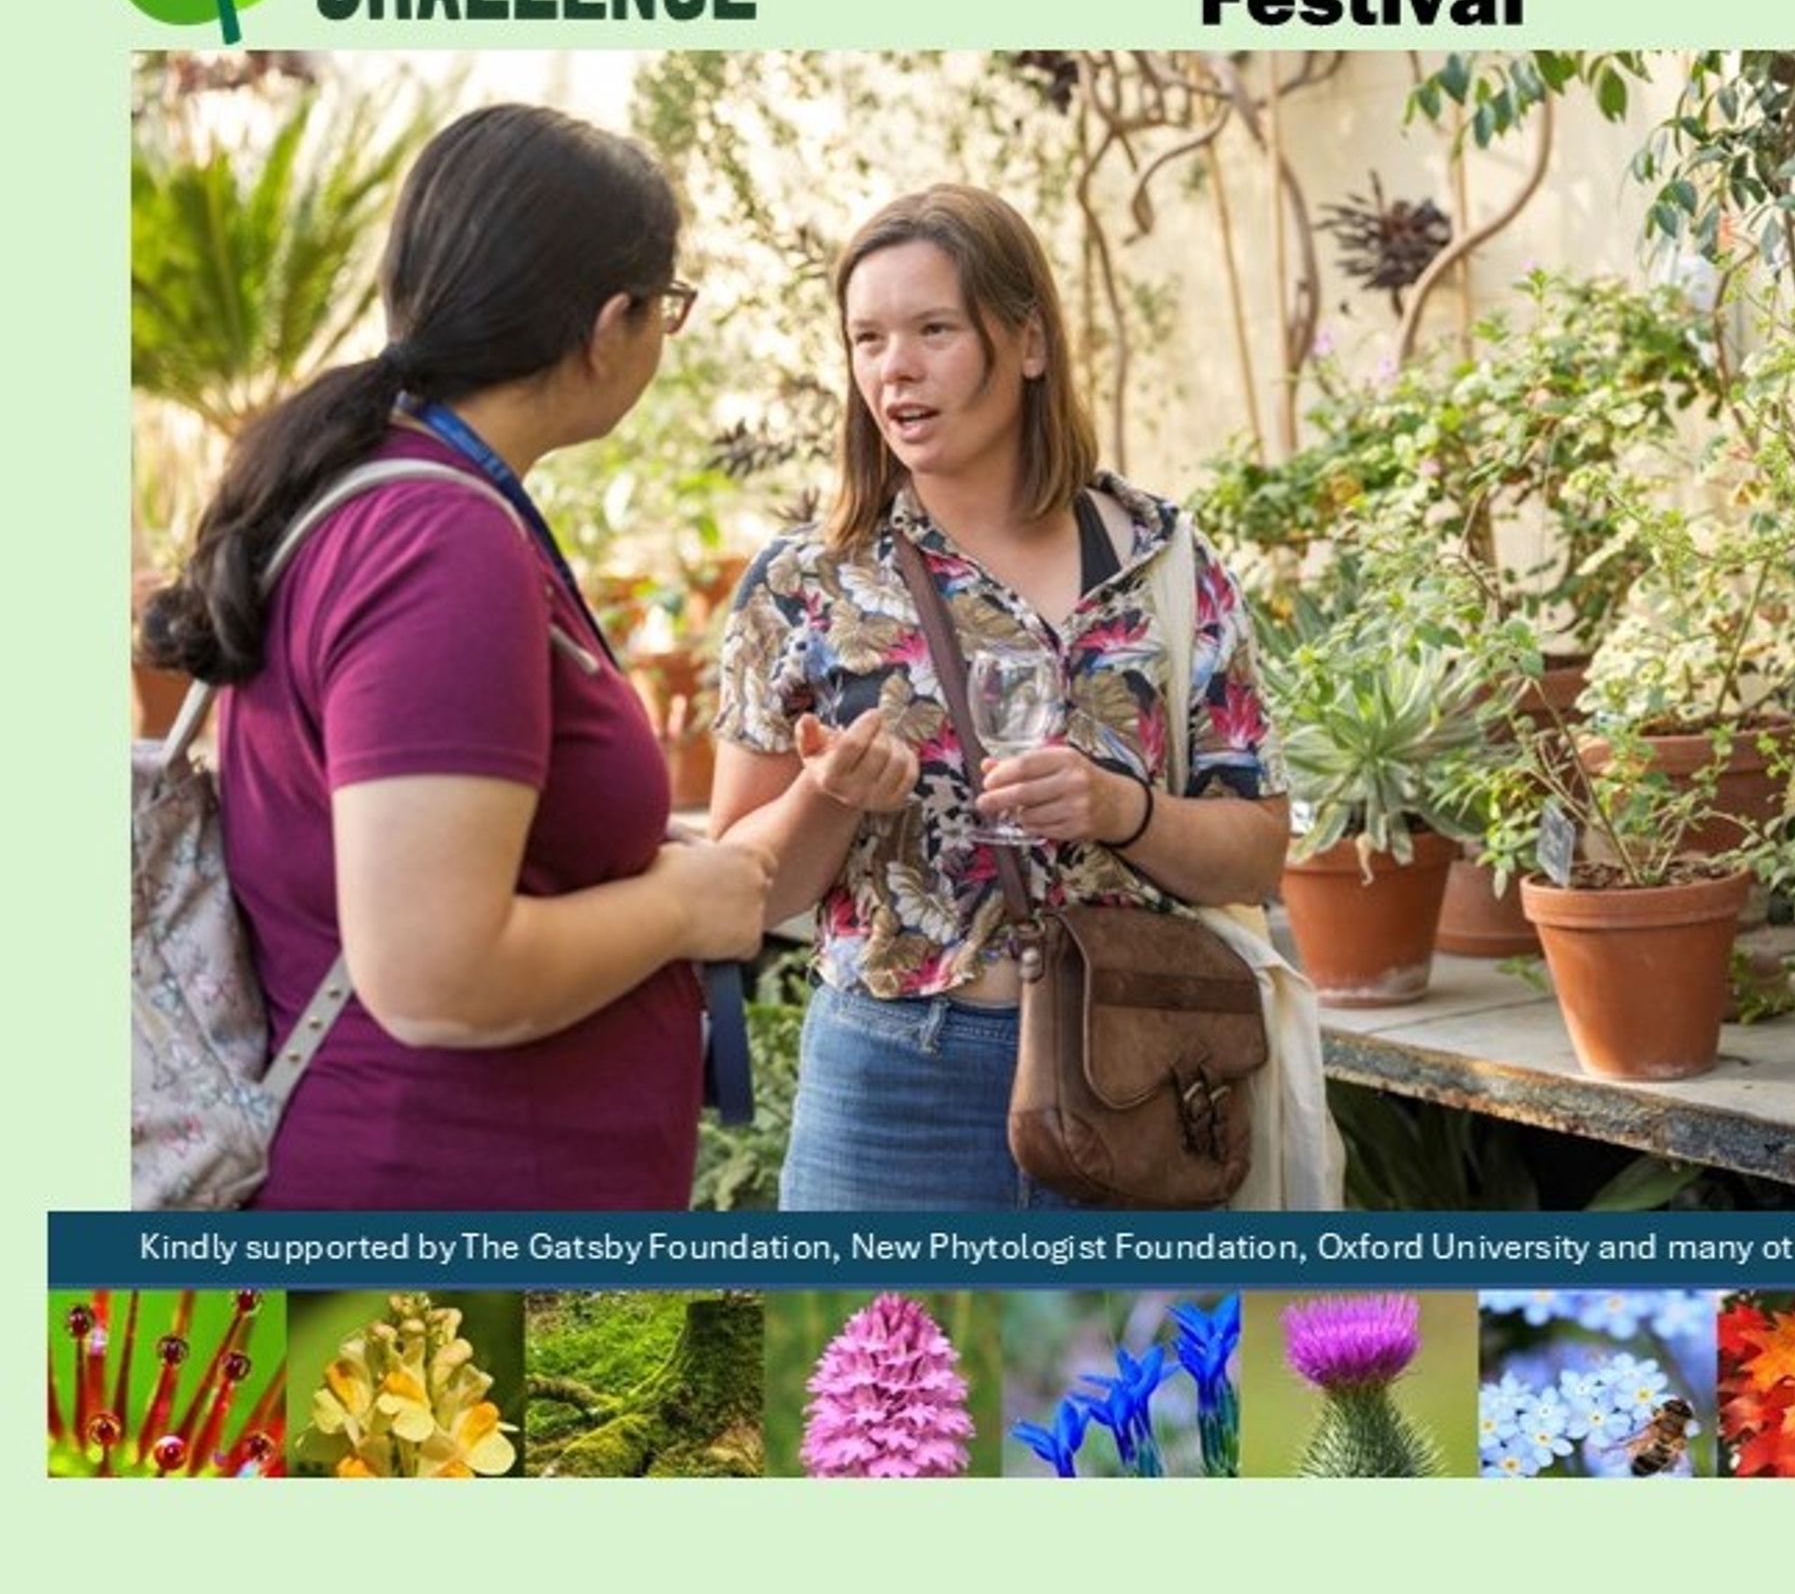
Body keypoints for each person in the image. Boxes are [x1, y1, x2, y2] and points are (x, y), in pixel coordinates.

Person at [141, 103, 771, 1209]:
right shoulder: (440, 538)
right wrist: (682, 908)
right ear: (610, 320)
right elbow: (437, 969)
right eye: (667, 307)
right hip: (442, 1215)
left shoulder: (375, 487)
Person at [708, 183, 1290, 1209]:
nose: (894, 367)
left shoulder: (1162, 561)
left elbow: (1256, 847)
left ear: (1025, 342)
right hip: (890, 1086)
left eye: (933, 328)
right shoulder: (807, 583)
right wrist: (831, 793)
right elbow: (748, 884)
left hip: (1134, 1069)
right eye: (868, 338)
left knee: (1124, 1366)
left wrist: (1124, 809)